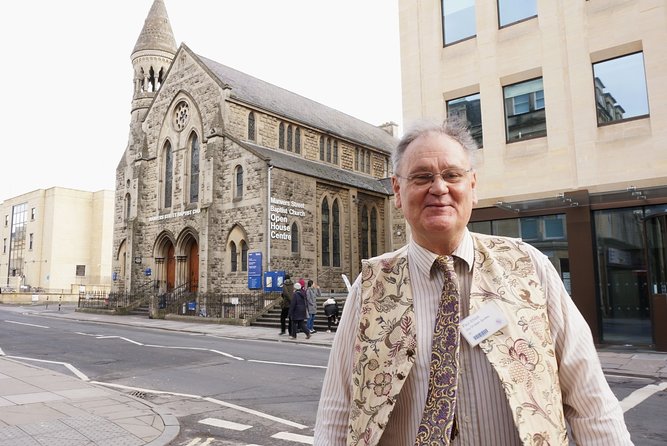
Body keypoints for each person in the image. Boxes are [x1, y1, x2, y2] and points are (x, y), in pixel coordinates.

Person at [314, 119, 632, 445]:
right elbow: (338, 412)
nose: (439, 188)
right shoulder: (369, 287)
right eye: (422, 177)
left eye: (452, 175)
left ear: (473, 185)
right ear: (397, 190)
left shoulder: (529, 267)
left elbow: (589, 400)